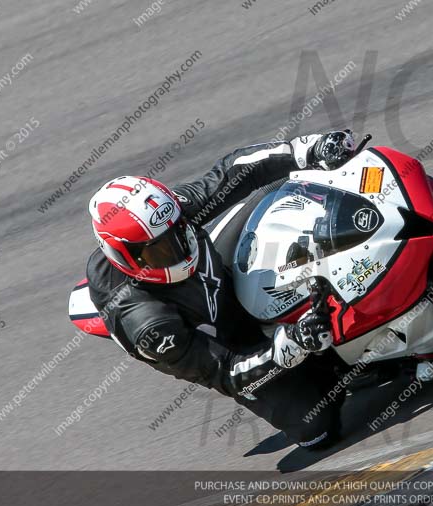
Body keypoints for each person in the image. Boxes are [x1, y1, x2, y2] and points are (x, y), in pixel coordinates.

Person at [85, 131, 357, 450]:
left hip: (219, 275)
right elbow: (223, 372)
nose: (179, 248)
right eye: (161, 250)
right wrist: (289, 347)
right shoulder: (149, 325)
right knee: (317, 426)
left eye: (180, 231)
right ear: (124, 256)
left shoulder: (167, 213)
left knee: (285, 186)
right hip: (226, 343)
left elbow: (234, 172)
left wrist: (306, 150)